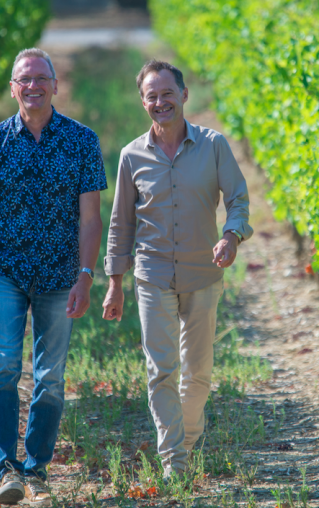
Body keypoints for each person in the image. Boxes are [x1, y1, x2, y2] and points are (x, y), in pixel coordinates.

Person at [0, 48, 106, 505]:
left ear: (56, 86)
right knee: (3, 368)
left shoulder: (82, 141)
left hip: (61, 275)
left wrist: (85, 275)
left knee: (50, 377)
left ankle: (36, 469)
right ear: (13, 88)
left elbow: (91, 219)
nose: (33, 86)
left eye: (42, 78)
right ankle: (6, 469)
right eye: (25, 79)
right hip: (4, 272)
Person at [102, 60, 252, 479]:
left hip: (204, 274)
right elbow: (121, 223)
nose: (160, 102)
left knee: (198, 372)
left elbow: (238, 199)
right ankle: (175, 461)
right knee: (162, 369)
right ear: (143, 102)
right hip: (151, 276)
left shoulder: (213, 145)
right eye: (152, 95)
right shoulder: (131, 156)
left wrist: (232, 235)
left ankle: (183, 440)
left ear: (184, 96)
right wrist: (115, 282)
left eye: (168, 93)